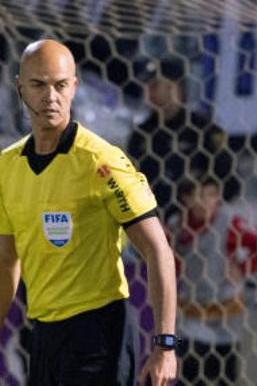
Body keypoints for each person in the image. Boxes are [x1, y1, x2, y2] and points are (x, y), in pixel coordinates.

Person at [0, 40, 177, 385]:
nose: (51, 96)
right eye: (39, 84)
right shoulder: (7, 168)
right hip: (43, 336)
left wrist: (165, 346)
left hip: (98, 336)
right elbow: (7, 260)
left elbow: (158, 251)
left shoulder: (102, 161)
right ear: (20, 86)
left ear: (75, 87)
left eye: (60, 85)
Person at [169, 174, 257, 385]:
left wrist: (243, 269)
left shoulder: (229, 221)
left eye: (212, 195)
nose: (207, 201)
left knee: (223, 371)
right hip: (191, 309)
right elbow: (173, 260)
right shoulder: (177, 225)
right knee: (191, 368)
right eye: (200, 195)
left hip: (225, 310)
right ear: (185, 198)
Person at [127, 56, 238, 218]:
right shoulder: (140, 135)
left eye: (155, 84)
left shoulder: (204, 130)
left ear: (175, 88)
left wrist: (206, 198)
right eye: (146, 85)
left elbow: (230, 184)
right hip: (154, 226)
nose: (147, 91)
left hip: (198, 228)